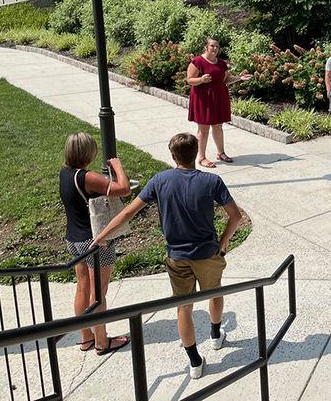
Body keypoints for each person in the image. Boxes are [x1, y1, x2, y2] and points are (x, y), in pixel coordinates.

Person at [93, 133, 243, 379]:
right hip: (208, 253)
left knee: (183, 307)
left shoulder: (159, 181)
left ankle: (195, 362)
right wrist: (224, 240)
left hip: (177, 255)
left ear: (173, 156)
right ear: (195, 154)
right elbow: (235, 216)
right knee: (215, 292)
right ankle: (216, 336)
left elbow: (128, 213)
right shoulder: (212, 182)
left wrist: (102, 235)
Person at [59, 133, 131, 355]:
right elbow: (124, 189)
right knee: (99, 292)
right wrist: (117, 166)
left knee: (82, 287)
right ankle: (102, 341)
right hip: (95, 242)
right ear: (88, 153)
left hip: (73, 239)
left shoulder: (65, 173)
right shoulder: (86, 177)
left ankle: (86, 337)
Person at [186, 38, 250, 168]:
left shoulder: (221, 63)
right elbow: (190, 80)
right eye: (212, 46)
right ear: (206, 47)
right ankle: (202, 157)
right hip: (203, 99)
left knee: (218, 126)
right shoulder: (197, 61)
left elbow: (225, 80)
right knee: (203, 129)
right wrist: (201, 79)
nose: (215, 48)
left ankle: (221, 153)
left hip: (219, 97)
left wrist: (239, 78)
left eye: (217, 46)